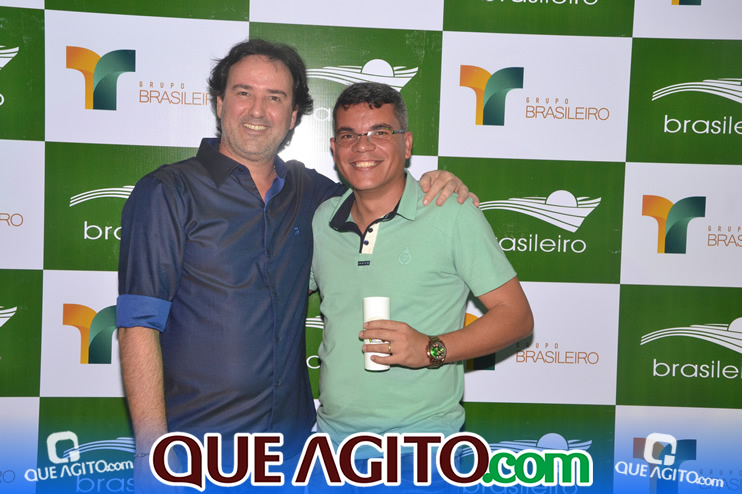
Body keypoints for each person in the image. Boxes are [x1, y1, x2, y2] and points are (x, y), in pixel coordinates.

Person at [116, 39, 473, 492]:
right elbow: (138, 325)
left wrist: (435, 183)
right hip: (197, 452)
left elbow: (379, 185)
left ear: (293, 116)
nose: (257, 110)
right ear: (220, 103)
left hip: (295, 454)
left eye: (275, 97)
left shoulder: (313, 194)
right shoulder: (167, 192)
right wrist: (152, 456)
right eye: (243, 93)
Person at [309, 82, 534, 492]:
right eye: (348, 135)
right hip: (332, 453)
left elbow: (517, 317)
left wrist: (430, 349)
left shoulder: (450, 214)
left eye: (379, 132)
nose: (362, 146)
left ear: (407, 143)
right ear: (334, 147)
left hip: (422, 456)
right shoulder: (323, 220)